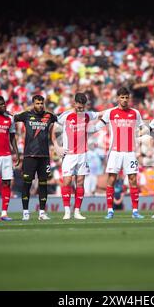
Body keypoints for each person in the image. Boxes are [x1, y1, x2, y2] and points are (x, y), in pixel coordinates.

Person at [93, 87, 146, 219]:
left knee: (133, 180)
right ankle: (110, 211)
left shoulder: (135, 113)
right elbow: (97, 127)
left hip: (130, 152)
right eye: (122, 97)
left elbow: (143, 128)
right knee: (111, 179)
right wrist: (83, 128)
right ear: (117, 98)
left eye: (126, 97)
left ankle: (135, 211)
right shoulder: (110, 113)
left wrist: (139, 137)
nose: (124, 100)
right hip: (115, 152)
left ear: (129, 98)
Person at [52, 92, 100, 220]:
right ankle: (67, 211)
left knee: (80, 182)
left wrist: (116, 108)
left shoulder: (86, 115)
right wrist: (57, 146)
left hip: (83, 154)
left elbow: (101, 114)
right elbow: (53, 127)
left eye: (82, 107)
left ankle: (77, 211)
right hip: (69, 154)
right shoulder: (66, 116)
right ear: (74, 104)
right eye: (78, 107)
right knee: (67, 181)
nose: (80, 110)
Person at [14, 95, 57, 221]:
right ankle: (25, 212)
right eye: (37, 103)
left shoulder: (49, 116)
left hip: (44, 156)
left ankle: (42, 212)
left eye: (42, 103)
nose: (40, 105)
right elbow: (11, 117)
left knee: (43, 184)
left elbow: (60, 119)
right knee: (27, 183)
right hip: (29, 155)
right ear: (33, 103)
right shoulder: (26, 115)